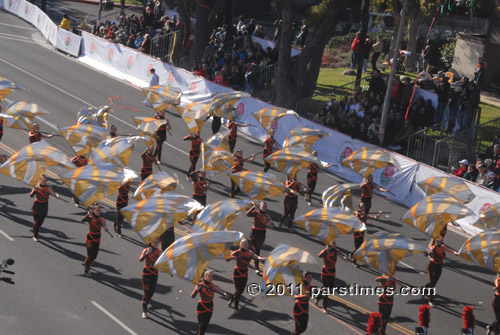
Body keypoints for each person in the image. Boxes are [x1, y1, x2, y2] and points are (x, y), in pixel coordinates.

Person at [226, 239, 266, 311]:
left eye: (246, 244)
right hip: (237, 272)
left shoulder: (250, 252)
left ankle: (232, 298)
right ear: (240, 244)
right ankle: (236, 307)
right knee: (238, 290)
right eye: (243, 243)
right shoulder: (237, 252)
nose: (245, 245)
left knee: (241, 291)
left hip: (245, 273)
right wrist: (232, 257)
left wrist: (261, 258)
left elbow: (256, 257)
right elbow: (227, 258)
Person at [191, 269, 229, 335]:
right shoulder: (200, 285)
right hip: (201, 306)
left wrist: (224, 294)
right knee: (201, 325)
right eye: (209, 276)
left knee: (204, 326)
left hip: (209, 307)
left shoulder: (213, 286)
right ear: (205, 276)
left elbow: (220, 291)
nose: (211, 278)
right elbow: (192, 296)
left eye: (212, 276)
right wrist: (197, 290)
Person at [316, 240, 348, 313]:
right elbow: (319, 255)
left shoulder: (336, 251)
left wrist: (349, 259)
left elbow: (343, 257)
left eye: (335, 243)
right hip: (325, 272)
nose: (334, 244)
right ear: (329, 244)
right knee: (326, 290)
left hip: (332, 272)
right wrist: (326, 249)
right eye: (333, 243)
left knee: (330, 288)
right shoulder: (325, 252)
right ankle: (324, 307)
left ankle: (318, 297)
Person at [424, 236, 458, 306]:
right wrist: (433, 248)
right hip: (432, 266)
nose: (440, 242)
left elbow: (451, 251)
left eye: (441, 241)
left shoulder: (443, 247)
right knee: (433, 284)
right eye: (438, 241)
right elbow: (430, 253)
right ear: (436, 241)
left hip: (439, 266)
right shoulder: (432, 247)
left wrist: (456, 253)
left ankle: (425, 288)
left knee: (434, 282)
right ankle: (430, 300)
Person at [81, 204, 110, 277]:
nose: (98, 212)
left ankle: (87, 263)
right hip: (90, 238)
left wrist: (105, 228)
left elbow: (105, 226)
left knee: (94, 256)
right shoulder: (90, 217)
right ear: (93, 211)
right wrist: (87, 215)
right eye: (97, 210)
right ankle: (86, 270)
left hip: (97, 239)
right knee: (89, 255)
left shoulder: (101, 219)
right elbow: (82, 220)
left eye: (99, 210)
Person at [30, 174, 61, 241]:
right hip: (37, 205)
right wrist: (34, 191)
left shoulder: (48, 188)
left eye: (45, 180)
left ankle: (35, 228)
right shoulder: (36, 187)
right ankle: (35, 236)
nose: (44, 182)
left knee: (41, 221)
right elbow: (31, 196)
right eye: (42, 180)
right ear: (39, 180)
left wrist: (57, 196)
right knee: (36, 221)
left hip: (44, 205)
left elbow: (54, 193)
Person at [246, 201, 274, 274]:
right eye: (263, 206)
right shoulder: (256, 213)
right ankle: (256, 267)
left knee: (253, 248)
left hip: (262, 233)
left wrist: (270, 222)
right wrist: (253, 207)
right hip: (255, 232)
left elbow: (271, 226)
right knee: (257, 250)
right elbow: (248, 214)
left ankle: (246, 260)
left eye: (265, 206)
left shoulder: (267, 215)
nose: (264, 207)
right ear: (260, 206)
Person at [351, 202, 381, 267]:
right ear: (359, 208)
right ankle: (354, 261)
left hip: (362, 233)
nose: (363, 208)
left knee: (358, 247)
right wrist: (362, 216)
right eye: (362, 207)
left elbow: (374, 218)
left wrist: (379, 215)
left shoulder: (365, 215)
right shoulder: (357, 214)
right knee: (358, 248)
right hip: (357, 233)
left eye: (364, 207)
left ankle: (351, 255)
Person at [139, 238, 162, 319]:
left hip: (155, 273)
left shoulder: (159, 251)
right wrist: (147, 254)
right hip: (147, 273)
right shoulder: (146, 250)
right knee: (147, 292)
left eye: (157, 242)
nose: (156, 244)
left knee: (151, 293)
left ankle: (145, 301)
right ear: (151, 242)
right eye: (154, 242)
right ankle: (144, 309)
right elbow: (140, 259)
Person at [292, 271, 313, 335]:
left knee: (303, 328)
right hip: (298, 308)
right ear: (304, 278)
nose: (310, 279)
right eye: (308, 277)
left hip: (305, 309)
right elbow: (296, 297)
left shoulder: (310, 287)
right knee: (298, 328)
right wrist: (305, 294)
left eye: (311, 278)